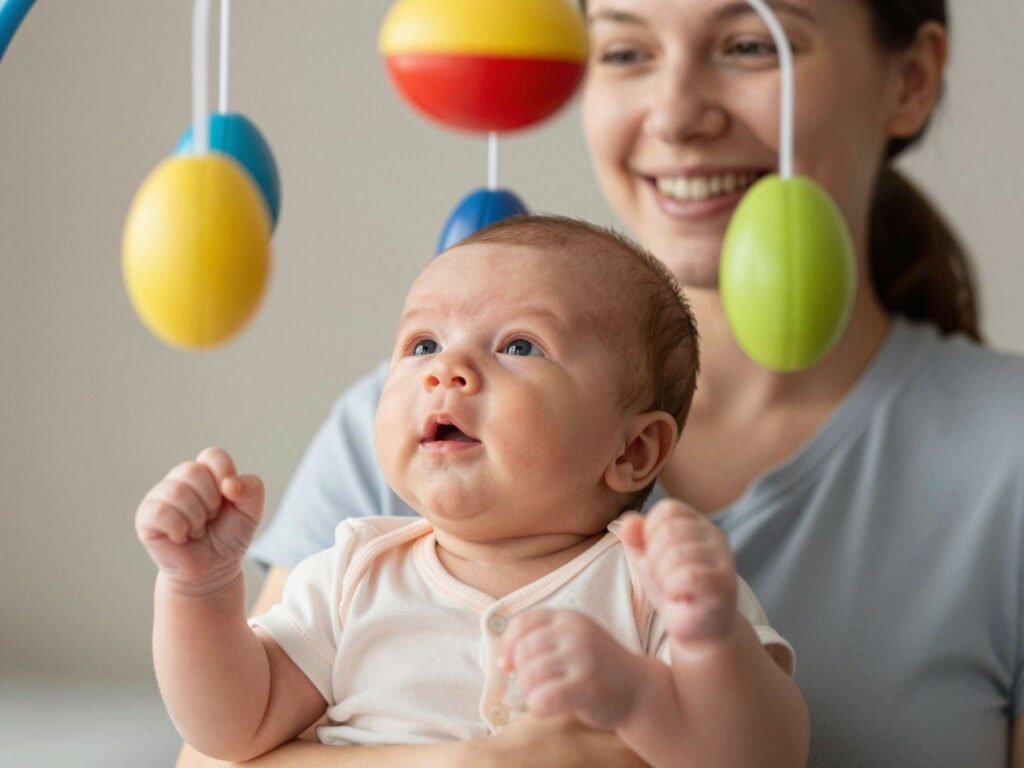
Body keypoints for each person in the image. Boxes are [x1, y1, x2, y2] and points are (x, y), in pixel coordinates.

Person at [176, 1, 1024, 766]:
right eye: (623, 51)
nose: (678, 115)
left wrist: (653, 692)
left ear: (908, 80)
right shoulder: (403, 435)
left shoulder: (657, 582)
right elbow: (219, 747)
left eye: (748, 44)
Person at [137, 216, 808, 767]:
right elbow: (232, 731)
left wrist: (678, 666)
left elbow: (763, 759)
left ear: (632, 450)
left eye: (519, 347)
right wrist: (198, 590)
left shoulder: (655, 585)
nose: (447, 371)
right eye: (423, 343)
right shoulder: (351, 575)